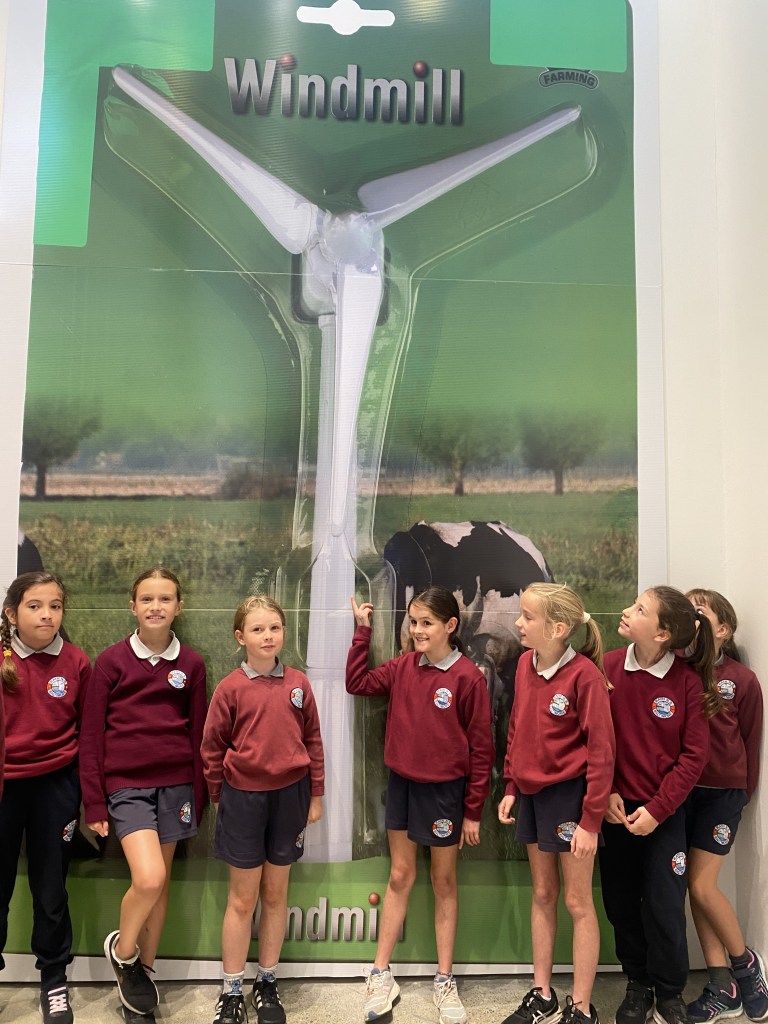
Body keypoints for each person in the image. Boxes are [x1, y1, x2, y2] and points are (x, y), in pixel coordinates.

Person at [346, 585, 495, 1024]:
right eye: (413, 622)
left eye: (426, 623)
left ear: (451, 625)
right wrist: (361, 631)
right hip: (402, 787)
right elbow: (357, 683)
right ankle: (380, 973)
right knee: (399, 875)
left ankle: (444, 979)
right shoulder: (402, 667)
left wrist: (472, 811)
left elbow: (482, 750)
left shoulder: (468, 678)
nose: (417, 630)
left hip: (445, 794)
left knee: (443, 881)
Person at [79, 567, 207, 1024]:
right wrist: (94, 801)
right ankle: (124, 954)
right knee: (148, 879)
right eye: (147, 599)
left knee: (161, 886)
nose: (156, 607)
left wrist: (199, 797)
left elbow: (198, 735)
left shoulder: (191, 664)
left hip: (177, 787)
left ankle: (140, 987)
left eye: (165, 599)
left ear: (179, 607)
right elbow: (91, 736)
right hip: (127, 786)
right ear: (132, 607)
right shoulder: (111, 662)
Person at [201, 596, 324, 1024]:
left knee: (275, 895)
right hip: (243, 800)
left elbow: (313, 741)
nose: (267, 636)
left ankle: (267, 982)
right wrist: (220, 797)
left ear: (284, 632)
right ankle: (232, 990)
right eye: (257, 629)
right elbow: (212, 749)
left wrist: (316, 795)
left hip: (290, 798)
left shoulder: (299, 683)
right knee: (242, 899)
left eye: (274, 627)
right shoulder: (230, 688)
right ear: (241, 637)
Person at [498, 583, 615, 1024]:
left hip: (571, 802)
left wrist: (591, 820)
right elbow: (516, 728)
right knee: (544, 893)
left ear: (558, 628)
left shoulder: (584, 676)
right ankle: (542, 994)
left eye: (528, 617)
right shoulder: (524, 664)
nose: (518, 623)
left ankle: (582, 1008)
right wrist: (511, 785)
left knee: (577, 902)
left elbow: (602, 753)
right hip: (532, 797)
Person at [599, 586, 716, 1024]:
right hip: (614, 812)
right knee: (620, 902)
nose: (627, 611)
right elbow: (597, 740)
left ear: (663, 633)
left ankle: (669, 992)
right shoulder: (608, 667)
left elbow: (693, 758)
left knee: (665, 905)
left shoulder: (687, 682)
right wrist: (609, 791)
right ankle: (638, 984)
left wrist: (658, 810)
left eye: (640, 609)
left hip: (664, 816)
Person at [0, 571, 91, 1024]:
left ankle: (54, 979)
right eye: (35, 606)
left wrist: (88, 796)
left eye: (55, 606)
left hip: (56, 787)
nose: (47, 614)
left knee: (51, 887)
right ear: (12, 614)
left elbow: (89, 735)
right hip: (4, 787)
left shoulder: (76, 662)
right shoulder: (2, 659)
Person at [683, 589, 767, 1024]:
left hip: (723, 796)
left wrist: (743, 793)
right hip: (682, 793)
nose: (691, 620)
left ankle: (745, 966)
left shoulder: (742, 679)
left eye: (699, 613)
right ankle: (722, 986)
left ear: (723, 629)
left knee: (702, 886)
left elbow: (750, 740)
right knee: (692, 887)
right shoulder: (676, 672)